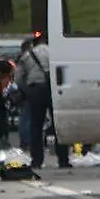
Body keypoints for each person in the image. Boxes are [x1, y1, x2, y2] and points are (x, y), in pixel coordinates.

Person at [16, 35, 67, 169]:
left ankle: (37, 160)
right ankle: (63, 159)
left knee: (36, 126)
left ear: (34, 43)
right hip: (53, 90)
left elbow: (19, 77)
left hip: (35, 91)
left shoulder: (27, 55)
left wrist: (27, 90)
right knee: (57, 125)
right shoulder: (55, 53)